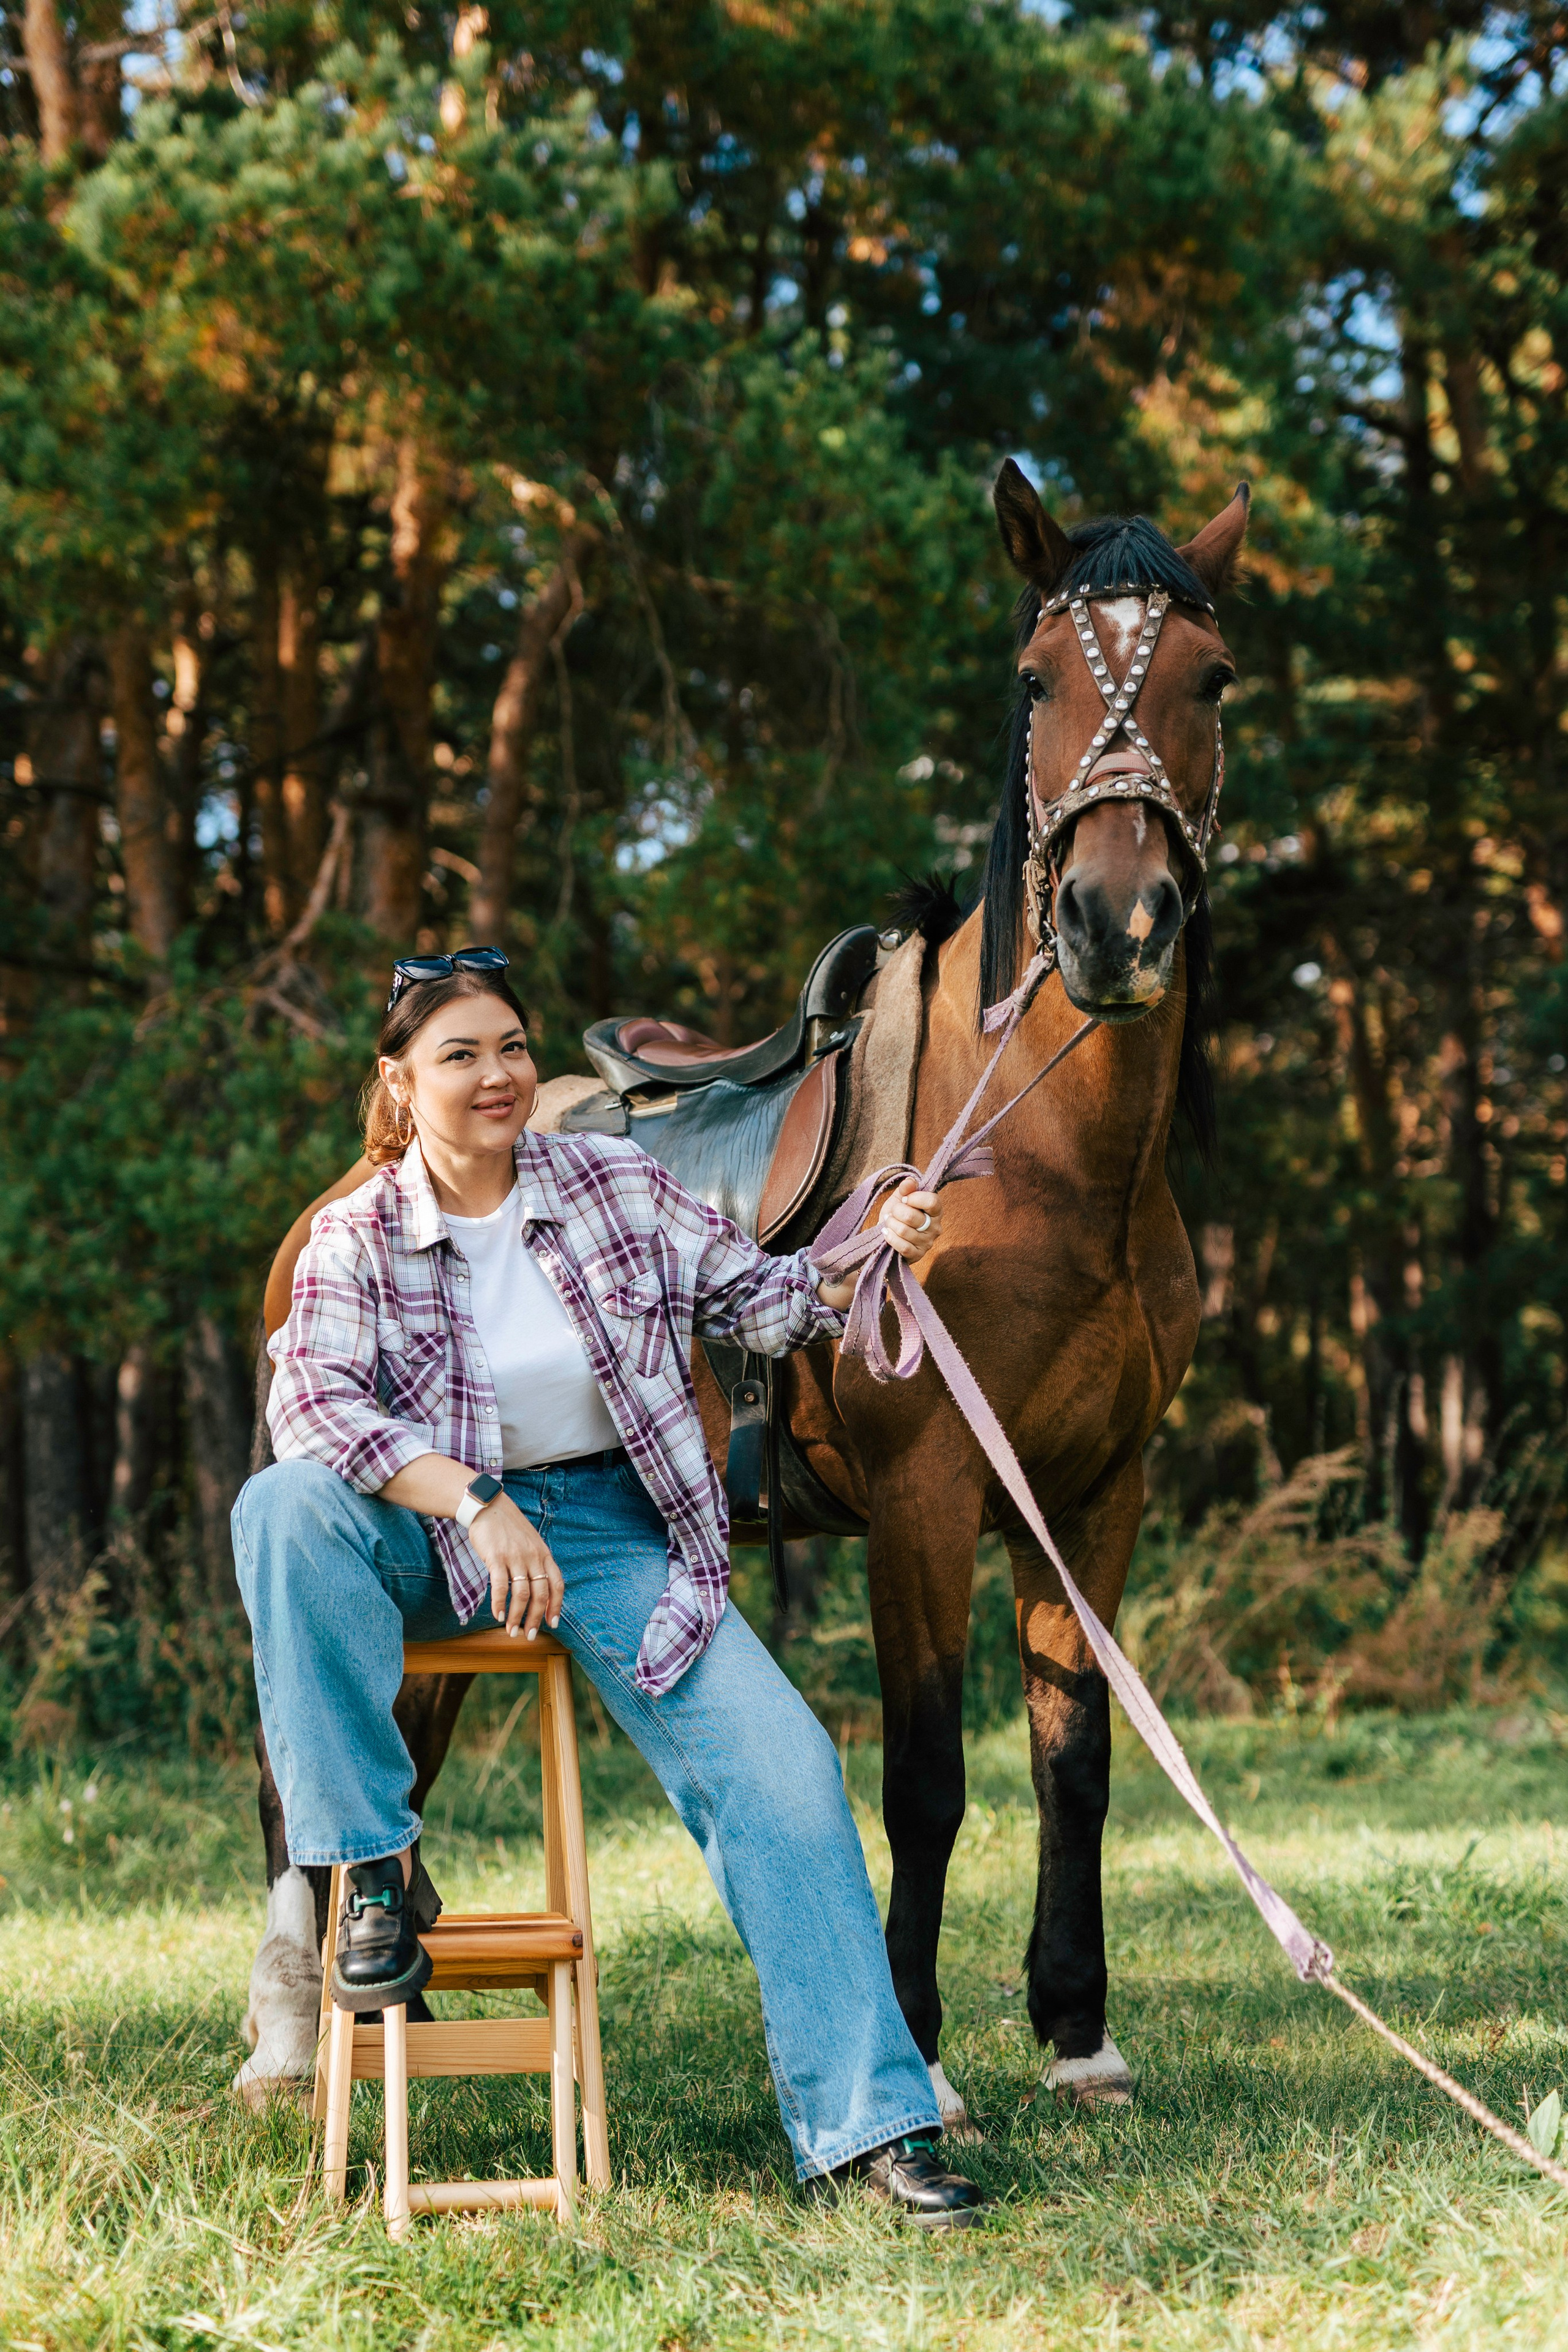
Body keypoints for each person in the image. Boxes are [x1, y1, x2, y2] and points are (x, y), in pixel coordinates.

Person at [232, 945, 986, 2226]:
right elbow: (308, 1403)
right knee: (283, 1504)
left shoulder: (610, 1182)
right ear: (399, 1083)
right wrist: (471, 1502)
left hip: (602, 1532)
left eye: (512, 1047)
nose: (497, 1074)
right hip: (426, 1529)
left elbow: (758, 1301)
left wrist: (870, 1243)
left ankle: (868, 2128)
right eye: (459, 1053)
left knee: (783, 1769)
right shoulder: (359, 1231)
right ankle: (366, 1873)